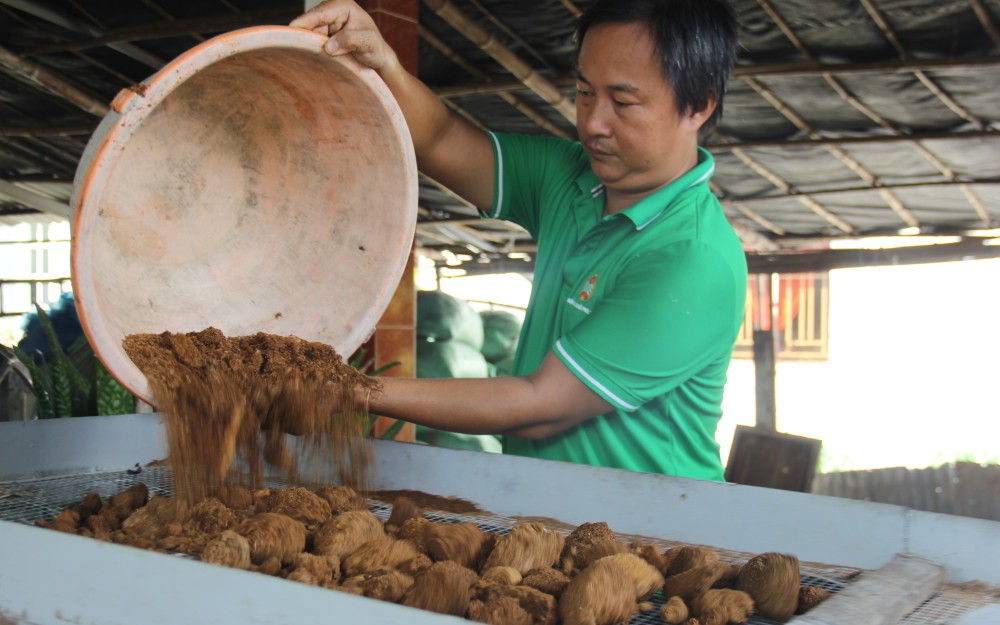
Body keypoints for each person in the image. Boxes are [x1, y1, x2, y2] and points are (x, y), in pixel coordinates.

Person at [290, 0, 746, 480]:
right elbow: (442, 139)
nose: (592, 122)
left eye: (623, 102)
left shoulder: (693, 259)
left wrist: (349, 390)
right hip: (547, 510)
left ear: (700, 104)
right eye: (584, 92)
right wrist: (383, 63)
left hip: (654, 531)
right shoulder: (570, 177)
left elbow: (540, 402)